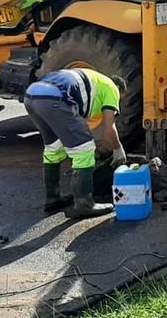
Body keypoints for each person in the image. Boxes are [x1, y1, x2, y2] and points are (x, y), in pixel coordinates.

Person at [24, 68, 128, 218]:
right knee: (85, 149)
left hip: (32, 95)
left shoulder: (94, 81)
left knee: (54, 148)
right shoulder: (112, 88)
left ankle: (52, 199)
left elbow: (77, 125)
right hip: (54, 99)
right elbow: (109, 129)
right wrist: (118, 149)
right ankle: (84, 204)